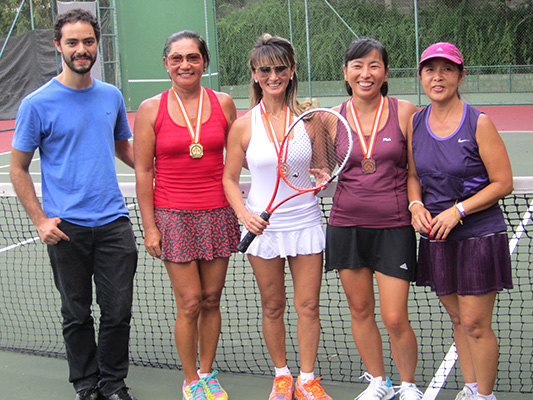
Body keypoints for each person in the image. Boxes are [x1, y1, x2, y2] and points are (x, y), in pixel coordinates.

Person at [9, 9, 138, 400]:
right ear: (58, 46)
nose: (81, 49)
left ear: (97, 44)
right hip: (66, 229)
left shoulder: (111, 96)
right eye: (72, 42)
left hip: (114, 224)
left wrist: (164, 172)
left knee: (118, 312)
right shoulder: (36, 104)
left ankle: (113, 384)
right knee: (76, 314)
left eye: (88, 41)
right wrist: (40, 220)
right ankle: (86, 385)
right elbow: (18, 168)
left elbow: (124, 149)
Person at [222, 34, 332, 400]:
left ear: (292, 70)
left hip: (305, 222)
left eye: (281, 68)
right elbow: (229, 178)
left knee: (308, 306)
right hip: (263, 227)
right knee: (273, 305)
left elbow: (321, 167)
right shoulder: (243, 126)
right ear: (254, 74)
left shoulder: (310, 120)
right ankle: (282, 375)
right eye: (265, 70)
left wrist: (321, 174)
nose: (273, 76)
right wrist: (244, 215)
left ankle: (307, 379)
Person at [133, 30, 240, 400]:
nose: (185, 64)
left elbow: (240, 155)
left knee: (211, 299)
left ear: (204, 62)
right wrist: (150, 226)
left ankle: (208, 374)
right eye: (177, 58)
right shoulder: (151, 109)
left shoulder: (224, 103)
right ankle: (190, 379)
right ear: (166, 64)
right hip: (173, 216)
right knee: (190, 301)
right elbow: (143, 171)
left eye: (193, 57)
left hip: (218, 214)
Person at [407, 42, 513, 400]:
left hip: (479, 237)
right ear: (421, 77)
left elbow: (502, 183)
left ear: (460, 76)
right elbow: (413, 175)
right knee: (457, 320)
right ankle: (470, 388)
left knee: (475, 324)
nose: (438, 77)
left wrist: (459, 211)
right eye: (430, 70)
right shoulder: (415, 123)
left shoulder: (479, 122)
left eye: (447, 69)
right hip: (437, 238)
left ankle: (485, 396)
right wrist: (415, 205)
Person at [324, 38, 422, 400]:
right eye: (357, 66)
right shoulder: (331, 118)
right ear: (345, 73)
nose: (365, 73)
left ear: (385, 73)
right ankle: (379, 382)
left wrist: (416, 205)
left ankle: (408, 385)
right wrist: (320, 173)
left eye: (374, 65)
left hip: (394, 226)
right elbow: (321, 168)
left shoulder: (405, 111)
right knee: (360, 309)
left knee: (395, 317)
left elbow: (415, 171)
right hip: (346, 224)